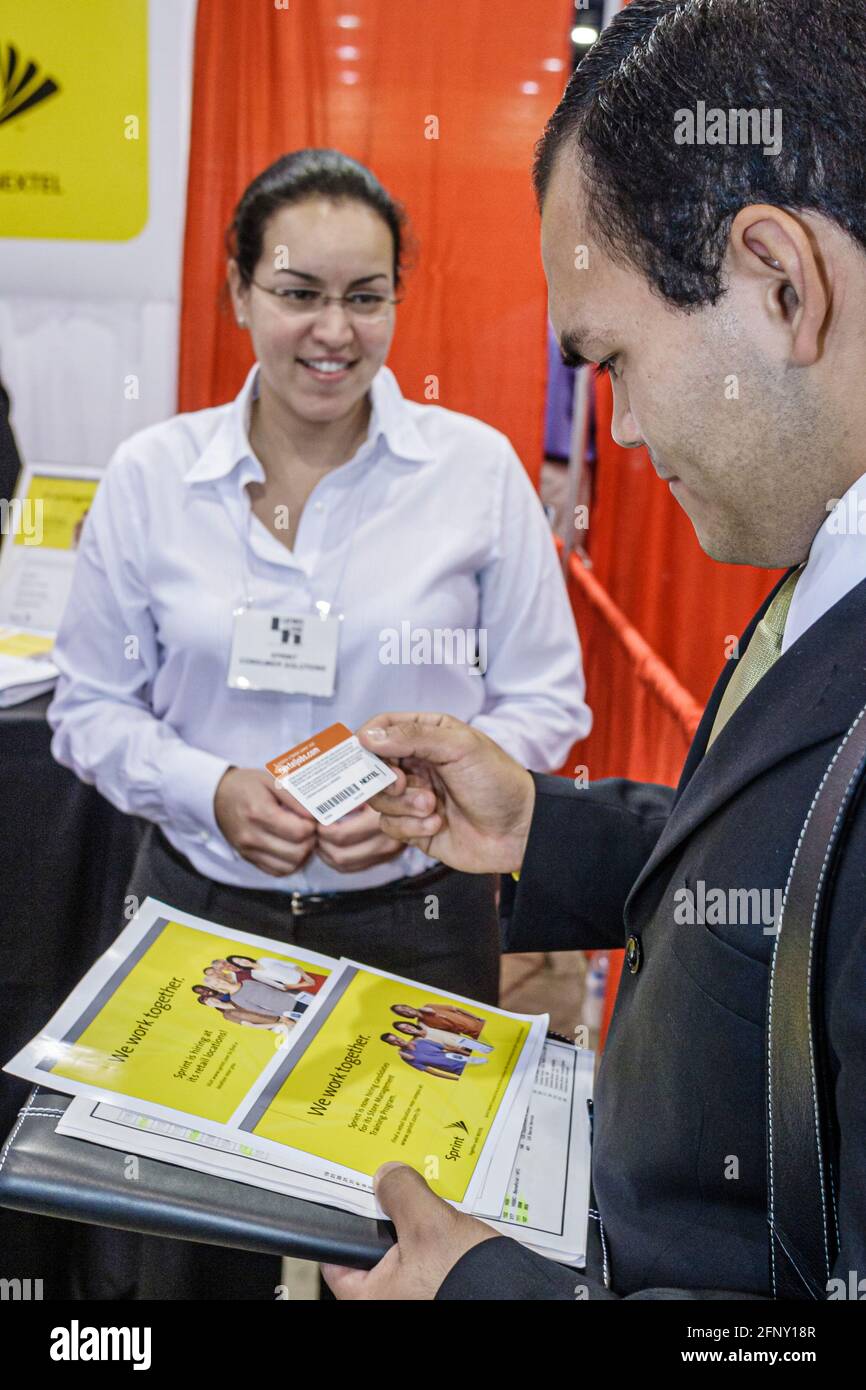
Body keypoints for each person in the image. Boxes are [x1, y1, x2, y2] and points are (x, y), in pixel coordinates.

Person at [322, 0, 866, 1301]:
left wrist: (491, 1294)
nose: (612, 431)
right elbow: (799, 875)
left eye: (611, 359)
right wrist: (545, 833)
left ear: (778, 281)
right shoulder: (825, 554)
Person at [48, 148, 589, 1018]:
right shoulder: (151, 476)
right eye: (299, 294)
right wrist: (208, 789)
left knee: (415, 1158)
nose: (334, 331)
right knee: (185, 1152)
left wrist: (425, 795)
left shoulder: (474, 471)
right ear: (241, 293)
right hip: (200, 913)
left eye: (365, 297)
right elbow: (87, 708)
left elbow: (547, 699)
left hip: (420, 923)